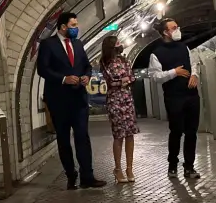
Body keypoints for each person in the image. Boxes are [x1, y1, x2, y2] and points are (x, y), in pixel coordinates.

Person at [36, 12, 107, 189]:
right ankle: (70, 174)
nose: (76, 28)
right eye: (73, 25)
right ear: (63, 27)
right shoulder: (48, 44)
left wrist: (87, 76)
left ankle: (87, 176)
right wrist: (63, 79)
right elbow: (42, 69)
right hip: (58, 100)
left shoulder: (77, 44)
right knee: (63, 139)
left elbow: (87, 66)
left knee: (82, 136)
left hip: (79, 98)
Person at [148, 18, 202, 180]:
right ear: (166, 32)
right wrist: (174, 72)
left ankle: (189, 167)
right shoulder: (156, 54)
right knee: (176, 131)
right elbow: (155, 76)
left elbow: (194, 64)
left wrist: (194, 75)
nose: (178, 29)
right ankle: (172, 164)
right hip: (173, 98)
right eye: (174, 28)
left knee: (191, 132)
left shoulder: (184, 47)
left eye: (177, 27)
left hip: (191, 96)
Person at [100, 35, 140, 183]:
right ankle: (117, 169)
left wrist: (123, 81)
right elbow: (111, 81)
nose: (119, 44)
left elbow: (132, 77)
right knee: (118, 135)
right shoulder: (104, 62)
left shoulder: (124, 60)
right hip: (114, 100)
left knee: (130, 134)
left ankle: (129, 168)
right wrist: (122, 81)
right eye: (116, 42)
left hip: (127, 99)